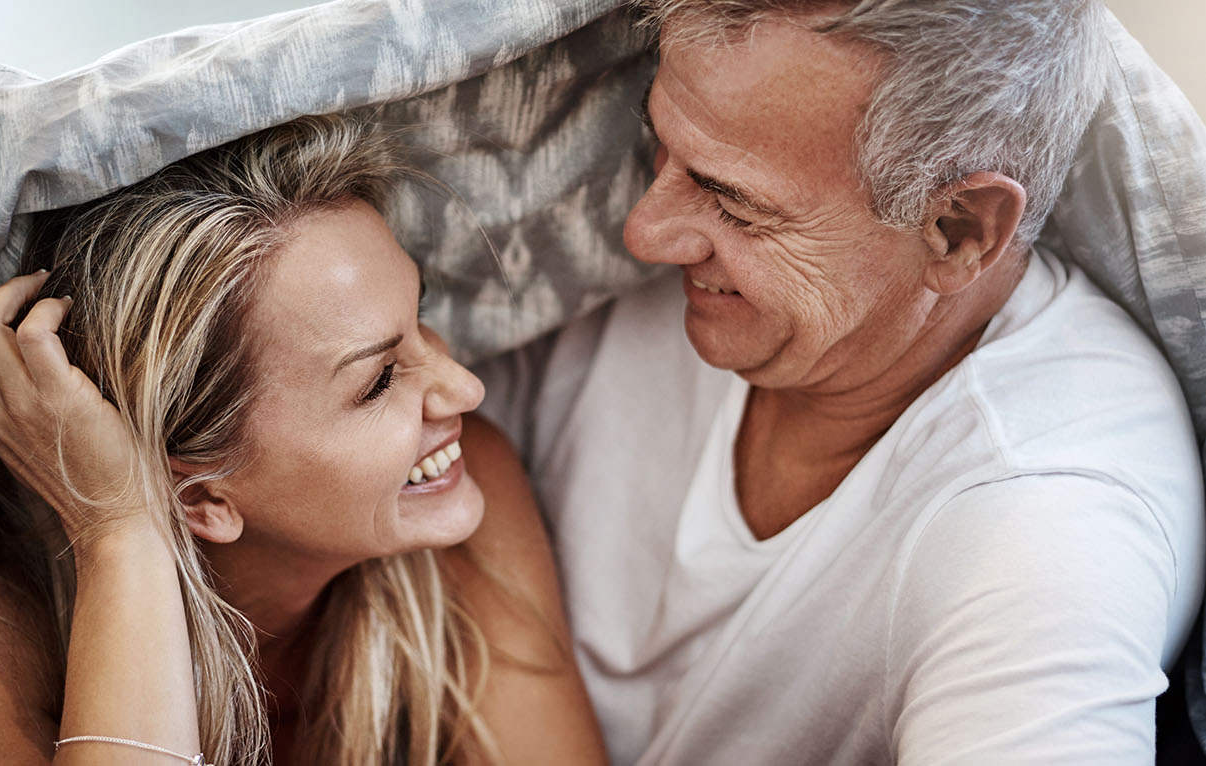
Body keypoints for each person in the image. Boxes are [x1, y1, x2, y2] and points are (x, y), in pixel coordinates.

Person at [475, 1, 1205, 763]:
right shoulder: (625, 272)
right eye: (660, 145)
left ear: (959, 230)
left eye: (733, 203)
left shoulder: (1050, 520)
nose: (643, 233)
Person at [0, 115, 607, 765]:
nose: (465, 389)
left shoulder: (458, 495)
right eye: (380, 380)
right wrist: (122, 529)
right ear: (200, 495)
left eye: (422, 315)